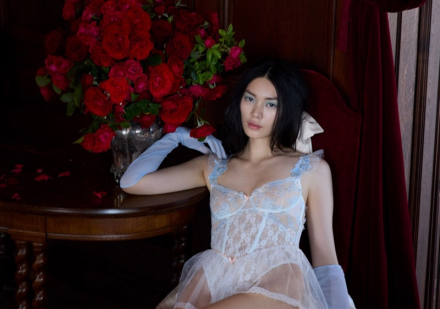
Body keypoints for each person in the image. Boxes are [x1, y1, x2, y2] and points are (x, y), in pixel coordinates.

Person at [120, 59, 353, 309]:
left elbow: (326, 260)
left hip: (276, 288)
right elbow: (132, 182)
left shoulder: (311, 170)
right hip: (214, 284)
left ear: (287, 110)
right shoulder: (213, 166)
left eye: (271, 104)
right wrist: (177, 136)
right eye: (250, 99)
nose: (256, 113)